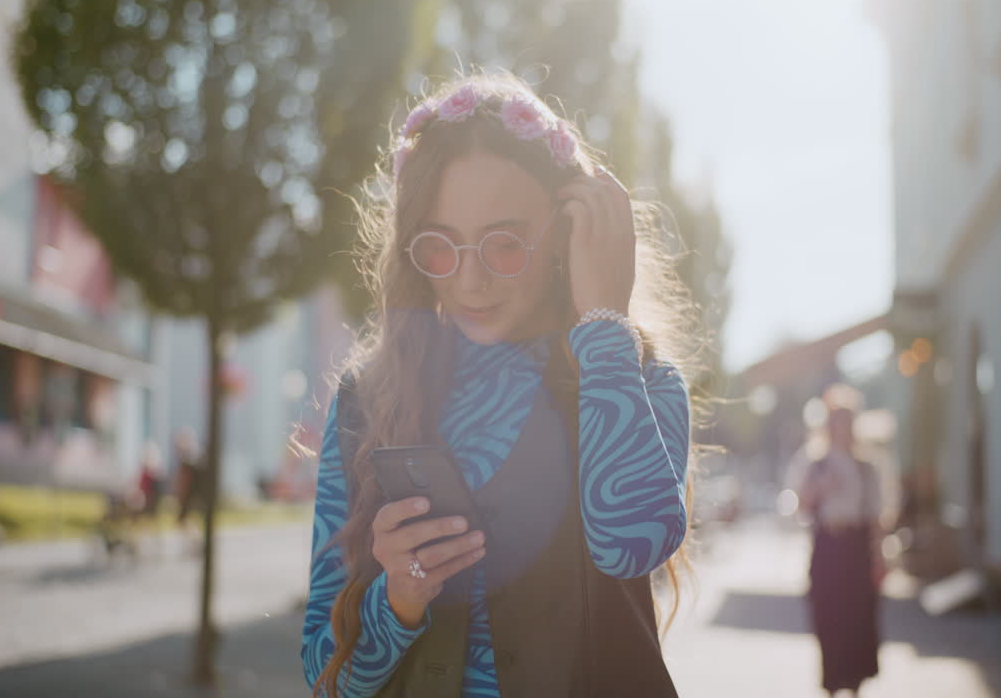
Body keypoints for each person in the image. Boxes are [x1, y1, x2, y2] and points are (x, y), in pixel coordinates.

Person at [300, 71, 703, 698]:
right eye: (440, 246)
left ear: (566, 235)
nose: (468, 281)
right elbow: (327, 681)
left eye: (506, 243)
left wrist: (604, 323)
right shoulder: (367, 400)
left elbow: (631, 545)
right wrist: (398, 599)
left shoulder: (636, 378)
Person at [796, 384, 885, 696]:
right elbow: (801, 507)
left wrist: (880, 558)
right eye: (835, 420)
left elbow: (876, 517)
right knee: (828, 616)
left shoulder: (866, 466)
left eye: (845, 420)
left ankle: (855, 685)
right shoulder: (814, 462)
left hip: (856, 548)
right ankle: (832, 684)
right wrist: (821, 488)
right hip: (827, 547)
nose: (840, 427)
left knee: (857, 618)